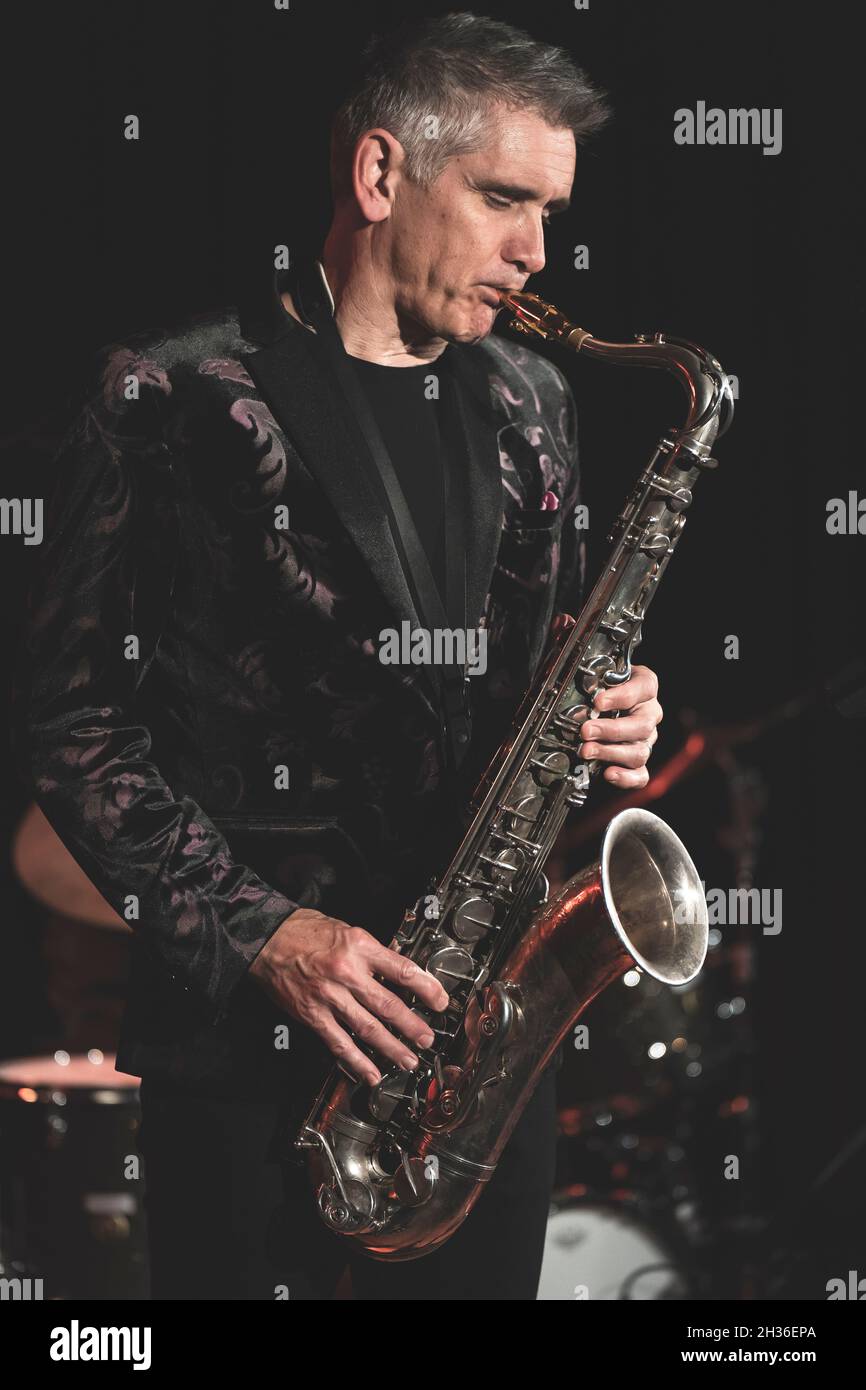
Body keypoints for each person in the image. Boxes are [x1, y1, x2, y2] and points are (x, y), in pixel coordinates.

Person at [10, 11, 663, 1300]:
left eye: (552, 210)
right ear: (379, 175)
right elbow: (71, 727)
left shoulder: (538, 402)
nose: (538, 252)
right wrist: (268, 937)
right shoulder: (169, 396)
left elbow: (545, 672)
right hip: (252, 1061)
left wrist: (614, 711)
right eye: (502, 201)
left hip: (477, 1062)